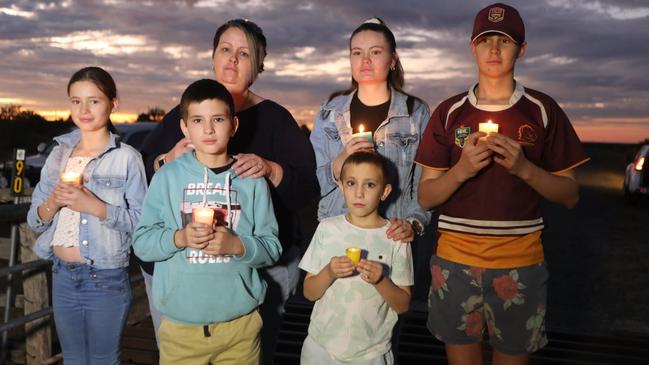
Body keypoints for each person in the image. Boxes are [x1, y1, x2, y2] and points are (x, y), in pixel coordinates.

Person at [415, 3, 590, 364]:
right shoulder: (449, 112)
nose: (493, 50)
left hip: (520, 263)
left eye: (504, 41)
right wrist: (461, 170)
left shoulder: (541, 110)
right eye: (484, 41)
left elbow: (570, 193)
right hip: (454, 262)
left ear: (521, 49)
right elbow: (426, 196)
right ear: (472, 48)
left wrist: (524, 168)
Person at [137, 20, 318, 358]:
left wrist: (271, 169)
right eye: (225, 50)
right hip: (181, 278)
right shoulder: (186, 110)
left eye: (244, 53)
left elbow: (307, 189)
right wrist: (166, 159)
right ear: (213, 56)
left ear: (258, 64)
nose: (233, 60)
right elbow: (146, 174)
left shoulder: (275, 118)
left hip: (251, 276)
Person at [132, 79, 282, 364]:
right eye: (198, 120)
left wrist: (238, 245)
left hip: (241, 327)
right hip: (180, 329)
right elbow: (142, 244)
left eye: (218, 119)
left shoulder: (251, 180)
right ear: (184, 128)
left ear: (233, 125)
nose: (209, 129)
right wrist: (180, 238)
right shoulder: (167, 177)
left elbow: (272, 247)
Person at [26, 66, 147, 364]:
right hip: (61, 275)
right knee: (73, 360)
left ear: (112, 104)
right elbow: (34, 219)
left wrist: (92, 204)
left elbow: (142, 225)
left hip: (105, 278)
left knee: (104, 360)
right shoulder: (58, 155)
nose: (84, 109)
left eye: (94, 100)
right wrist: (53, 202)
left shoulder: (127, 158)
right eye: (76, 100)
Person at [309, 17, 430, 247]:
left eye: (375, 52)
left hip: (391, 235)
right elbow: (313, 180)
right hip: (337, 233)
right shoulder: (330, 110)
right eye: (356, 52)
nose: (365, 60)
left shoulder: (415, 112)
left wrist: (413, 223)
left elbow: (424, 183)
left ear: (392, 59)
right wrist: (341, 162)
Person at [299, 151, 413, 365]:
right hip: (320, 347)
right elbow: (309, 292)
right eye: (351, 183)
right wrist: (328, 272)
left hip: (371, 353)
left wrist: (381, 280)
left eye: (369, 185)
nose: (359, 193)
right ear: (341, 186)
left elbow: (403, 305)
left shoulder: (395, 237)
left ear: (385, 191)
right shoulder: (327, 229)